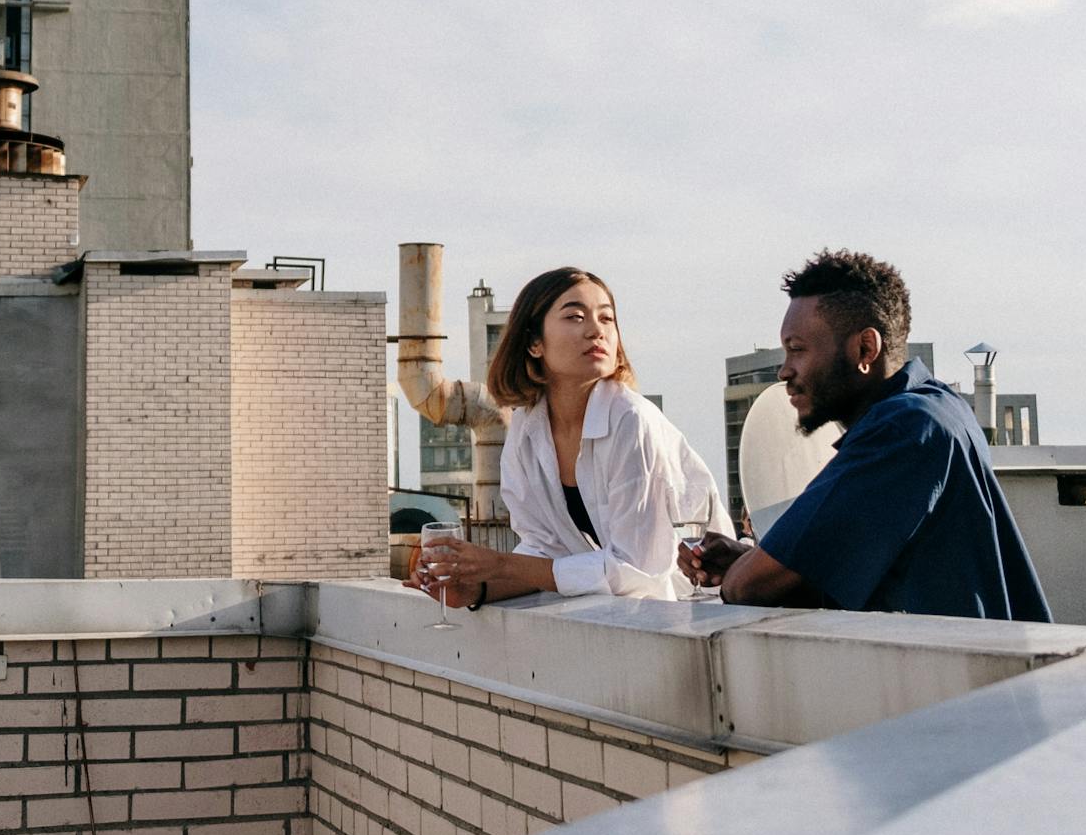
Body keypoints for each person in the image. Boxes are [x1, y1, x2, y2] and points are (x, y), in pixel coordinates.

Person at [681, 249, 1051, 621]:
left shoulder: (904, 430)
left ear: (865, 348)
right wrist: (748, 558)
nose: (784, 371)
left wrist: (741, 572)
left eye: (797, 350)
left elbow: (748, 588)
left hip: (962, 671)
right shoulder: (939, 407)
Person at [417, 266, 731, 605]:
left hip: (702, 610)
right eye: (576, 317)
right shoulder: (527, 427)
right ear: (535, 343)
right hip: (624, 619)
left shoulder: (631, 420)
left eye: (607, 319)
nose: (596, 330)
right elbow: (543, 553)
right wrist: (474, 588)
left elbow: (637, 570)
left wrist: (501, 564)